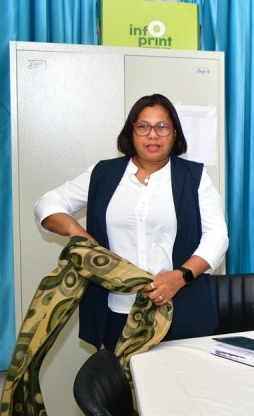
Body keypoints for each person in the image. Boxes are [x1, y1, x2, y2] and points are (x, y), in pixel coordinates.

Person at [34, 93, 228, 350]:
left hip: (179, 307)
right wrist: (75, 231)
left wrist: (181, 276)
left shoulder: (194, 177)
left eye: (162, 126)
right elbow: (47, 203)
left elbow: (217, 237)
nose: (153, 135)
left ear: (174, 134)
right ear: (131, 132)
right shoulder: (103, 174)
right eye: (143, 126)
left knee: (179, 376)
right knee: (122, 376)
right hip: (117, 310)